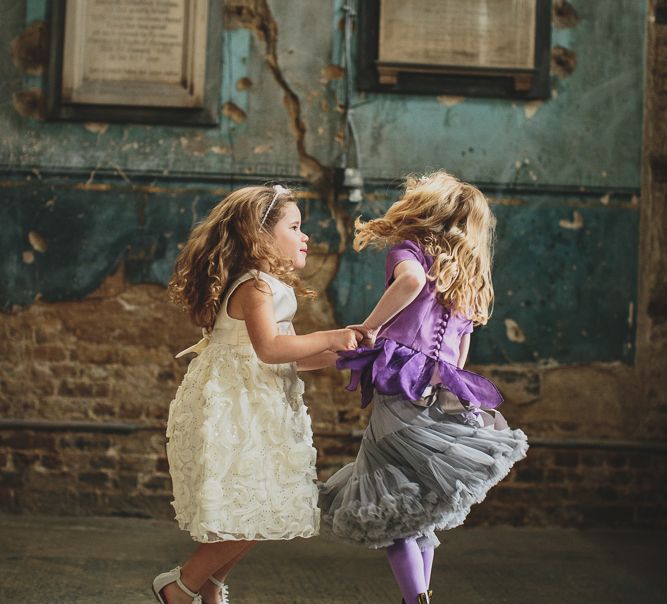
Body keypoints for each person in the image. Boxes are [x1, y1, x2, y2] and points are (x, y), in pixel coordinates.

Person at [319, 171, 529, 604]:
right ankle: (419, 597)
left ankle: (416, 601)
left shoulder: (410, 250)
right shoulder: (466, 272)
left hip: (402, 386)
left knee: (389, 499)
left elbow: (411, 282)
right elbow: (462, 348)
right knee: (422, 506)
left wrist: (370, 327)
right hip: (444, 390)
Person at [153, 184, 361, 604]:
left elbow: (292, 357)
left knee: (262, 508)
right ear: (261, 236)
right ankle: (180, 588)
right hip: (235, 409)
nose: (306, 237)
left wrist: (343, 357)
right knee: (254, 509)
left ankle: (208, 587)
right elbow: (270, 349)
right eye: (295, 226)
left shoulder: (269, 285)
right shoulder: (254, 286)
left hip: (260, 406)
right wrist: (331, 335)